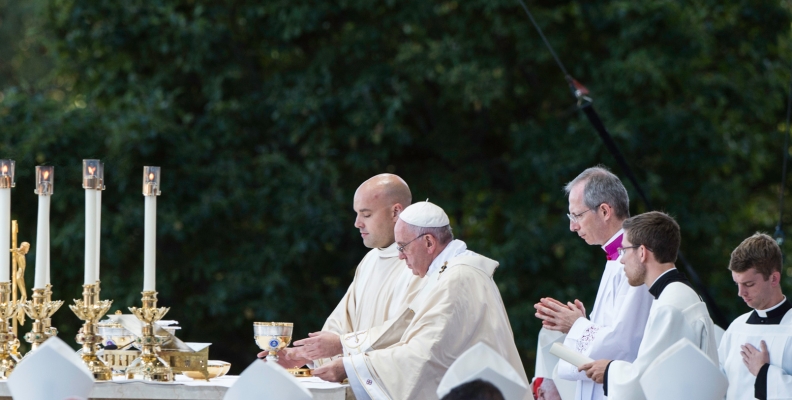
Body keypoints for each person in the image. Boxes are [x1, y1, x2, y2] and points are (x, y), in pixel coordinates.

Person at [308, 201, 529, 400]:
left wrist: (351, 366)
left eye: (403, 246)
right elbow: (403, 330)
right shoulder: (445, 273)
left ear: (429, 243)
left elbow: (426, 354)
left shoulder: (458, 277)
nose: (400, 256)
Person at [269, 174, 423, 367]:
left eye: (366, 214)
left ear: (396, 212)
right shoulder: (370, 260)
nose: (357, 223)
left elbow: (405, 330)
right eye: (357, 214)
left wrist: (344, 346)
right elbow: (342, 324)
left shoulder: (421, 261)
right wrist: (306, 355)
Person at [534, 166, 653, 400]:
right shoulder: (615, 257)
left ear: (605, 211)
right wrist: (585, 322)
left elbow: (626, 344)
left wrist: (576, 326)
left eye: (577, 215)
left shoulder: (635, 260)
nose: (572, 226)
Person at [578, 211, 717, 399]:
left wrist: (610, 370)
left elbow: (649, 381)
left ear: (642, 252)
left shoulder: (670, 305)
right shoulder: (680, 295)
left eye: (624, 250)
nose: (621, 259)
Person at [718, 233, 792, 400]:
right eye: (737, 284)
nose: (740, 293)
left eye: (749, 284)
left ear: (773, 279)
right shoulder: (736, 328)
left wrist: (764, 372)